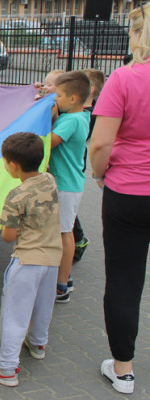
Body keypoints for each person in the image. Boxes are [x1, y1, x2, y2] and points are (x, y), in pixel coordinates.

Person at [89, 4, 150, 393]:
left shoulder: (125, 78)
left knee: (125, 281)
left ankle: (123, 369)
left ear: (140, 34)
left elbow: (101, 143)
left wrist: (99, 175)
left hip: (128, 192)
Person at [0, 132, 62, 388]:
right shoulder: (50, 180)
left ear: (13, 166)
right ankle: (38, 343)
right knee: (43, 306)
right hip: (52, 259)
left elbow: (9, 236)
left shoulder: (16, 195)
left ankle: (6, 368)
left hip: (27, 262)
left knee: (14, 315)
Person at [48, 71, 91, 304]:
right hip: (68, 183)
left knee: (65, 233)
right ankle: (65, 277)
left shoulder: (71, 120)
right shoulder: (78, 116)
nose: (56, 99)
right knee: (64, 231)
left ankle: (61, 285)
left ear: (73, 99)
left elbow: (49, 142)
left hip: (66, 185)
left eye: (59, 95)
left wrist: (49, 115)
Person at [71, 68, 105, 264]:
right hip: (75, 159)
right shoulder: (85, 110)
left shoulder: (87, 114)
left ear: (90, 89)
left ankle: (78, 239)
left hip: (75, 161)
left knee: (67, 206)